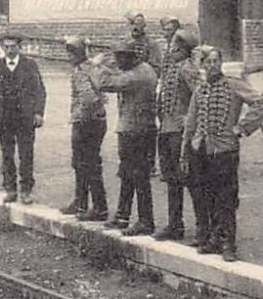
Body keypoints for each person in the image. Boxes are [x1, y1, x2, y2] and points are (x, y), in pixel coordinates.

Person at [180, 46, 263, 261]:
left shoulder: (233, 84)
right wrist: (185, 151)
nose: (211, 66)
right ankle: (214, 239)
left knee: (226, 198)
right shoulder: (200, 90)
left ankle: (229, 243)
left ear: (221, 63)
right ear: (201, 66)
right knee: (207, 196)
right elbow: (190, 123)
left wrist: (242, 127)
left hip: (225, 150)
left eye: (215, 61)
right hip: (200, 149)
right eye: (207, 62)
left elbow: (261, 104)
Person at [94, 43, 159, 236]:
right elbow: (119, 73)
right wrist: (111, 65)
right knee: (128, 174)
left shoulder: (134, 76)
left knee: (138, 177)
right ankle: (123, 216)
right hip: (140, 129)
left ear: (130, 58)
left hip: (134, 131)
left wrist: (98, 65)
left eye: (119, 58)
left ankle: (146, 222)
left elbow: (105, 84)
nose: (117, 61)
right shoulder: (144, 68)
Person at [0, 31, 45, 204]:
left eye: (13, 47)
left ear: (19, 47)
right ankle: (10, 189)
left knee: (26, 155)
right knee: (7, 155)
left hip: (25, 118)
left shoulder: (29, 65)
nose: (10, 50)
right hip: (4, 118)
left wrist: (38, 113)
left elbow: (40, 91)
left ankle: (26, 190)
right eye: (7, 47)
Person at [152, 32, 198, 242]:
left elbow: (200, 94)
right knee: (172, 179)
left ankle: (203, 227)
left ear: (182, 50)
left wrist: (189, 117)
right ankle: (175, 224)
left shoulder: (188, 68)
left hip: (180, 132)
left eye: (175, 48)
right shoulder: (171, 68)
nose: (171, 51)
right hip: (167, 130)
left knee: (189, 179)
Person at [61, 37, 109, 221]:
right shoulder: (92, 66)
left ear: (78, 54)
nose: (68, 56)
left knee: (86, 165)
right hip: (97, 120)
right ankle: (81, 203)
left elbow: (87, 99)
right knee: (84, 163)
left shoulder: (80, 72)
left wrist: (79, 115)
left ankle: (98, 208)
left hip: (86, 122)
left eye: (71, 53)